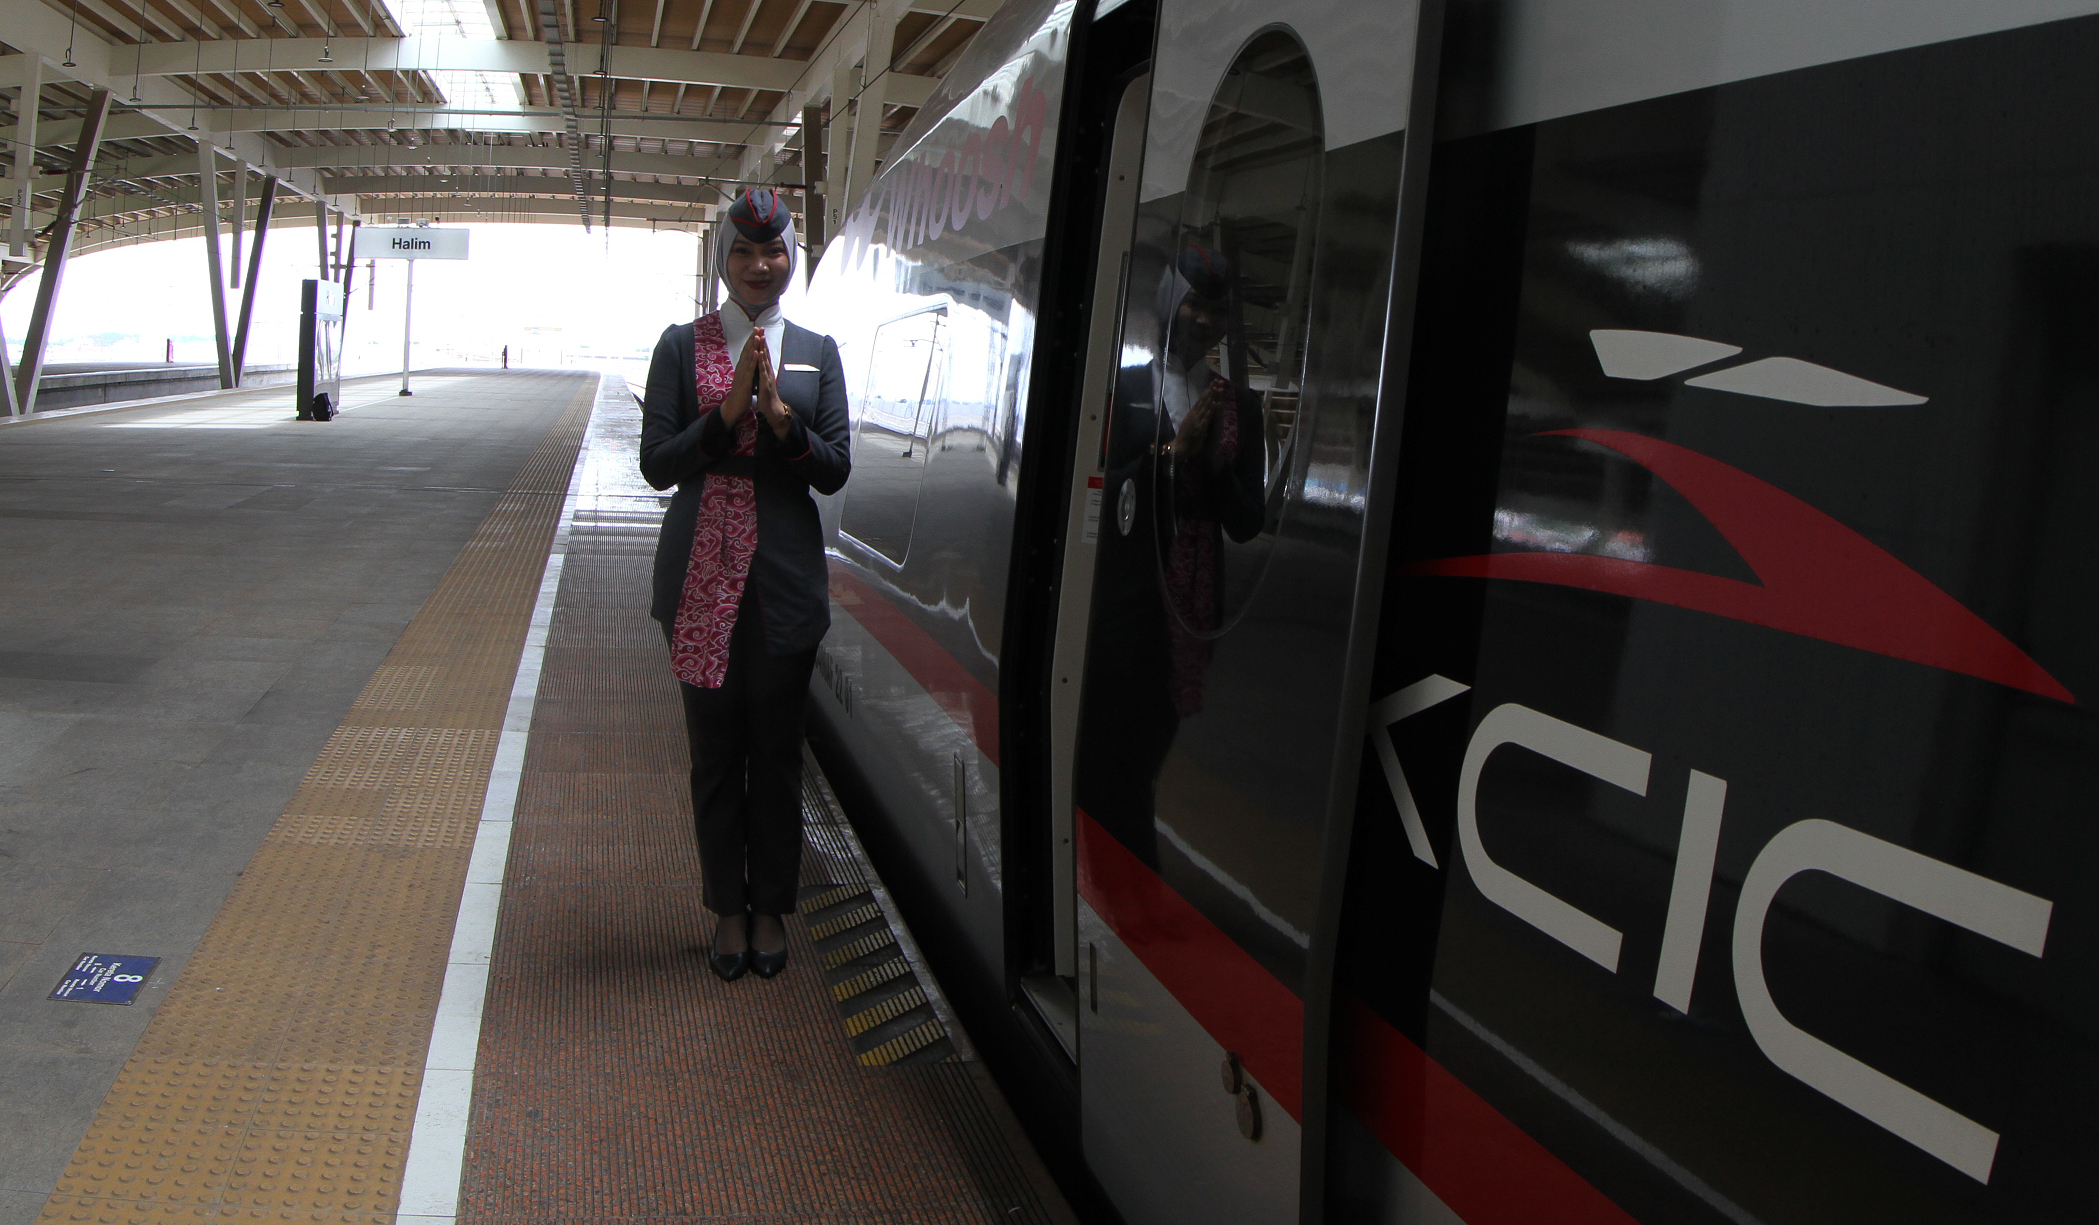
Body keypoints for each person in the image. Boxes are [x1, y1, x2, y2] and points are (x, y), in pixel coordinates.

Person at [639, 188, 851, 981]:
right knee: (715, 751)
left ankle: (771, 909)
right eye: (743, 251)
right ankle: (728, 907)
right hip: (699, 578)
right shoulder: (679, 346)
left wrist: (784, 424)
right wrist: (725, 415)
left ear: (791, 256)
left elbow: (835, 469)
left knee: (778, 750)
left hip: (784, 583)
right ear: (722, 258)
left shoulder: (816, 351)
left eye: (773, 251)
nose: (760, 265)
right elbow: (656, 464)